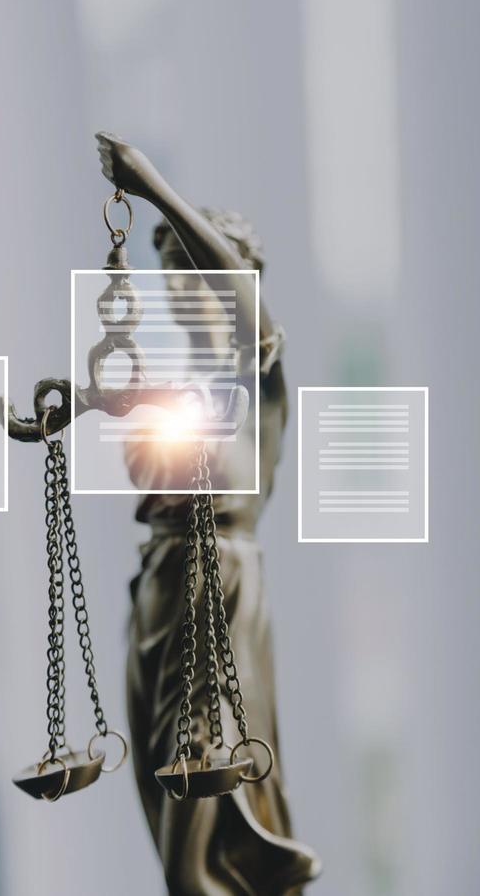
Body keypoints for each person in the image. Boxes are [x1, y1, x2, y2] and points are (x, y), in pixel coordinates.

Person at [96, 133, 321, 895]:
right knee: (166, 805)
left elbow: (230, 285)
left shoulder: (255, 366)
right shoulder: (183, 388)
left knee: (203, 818)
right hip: (159, 584)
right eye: (170, 282)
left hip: (217, 583)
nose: (180, 295)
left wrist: (149, 184)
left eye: (191, 279)